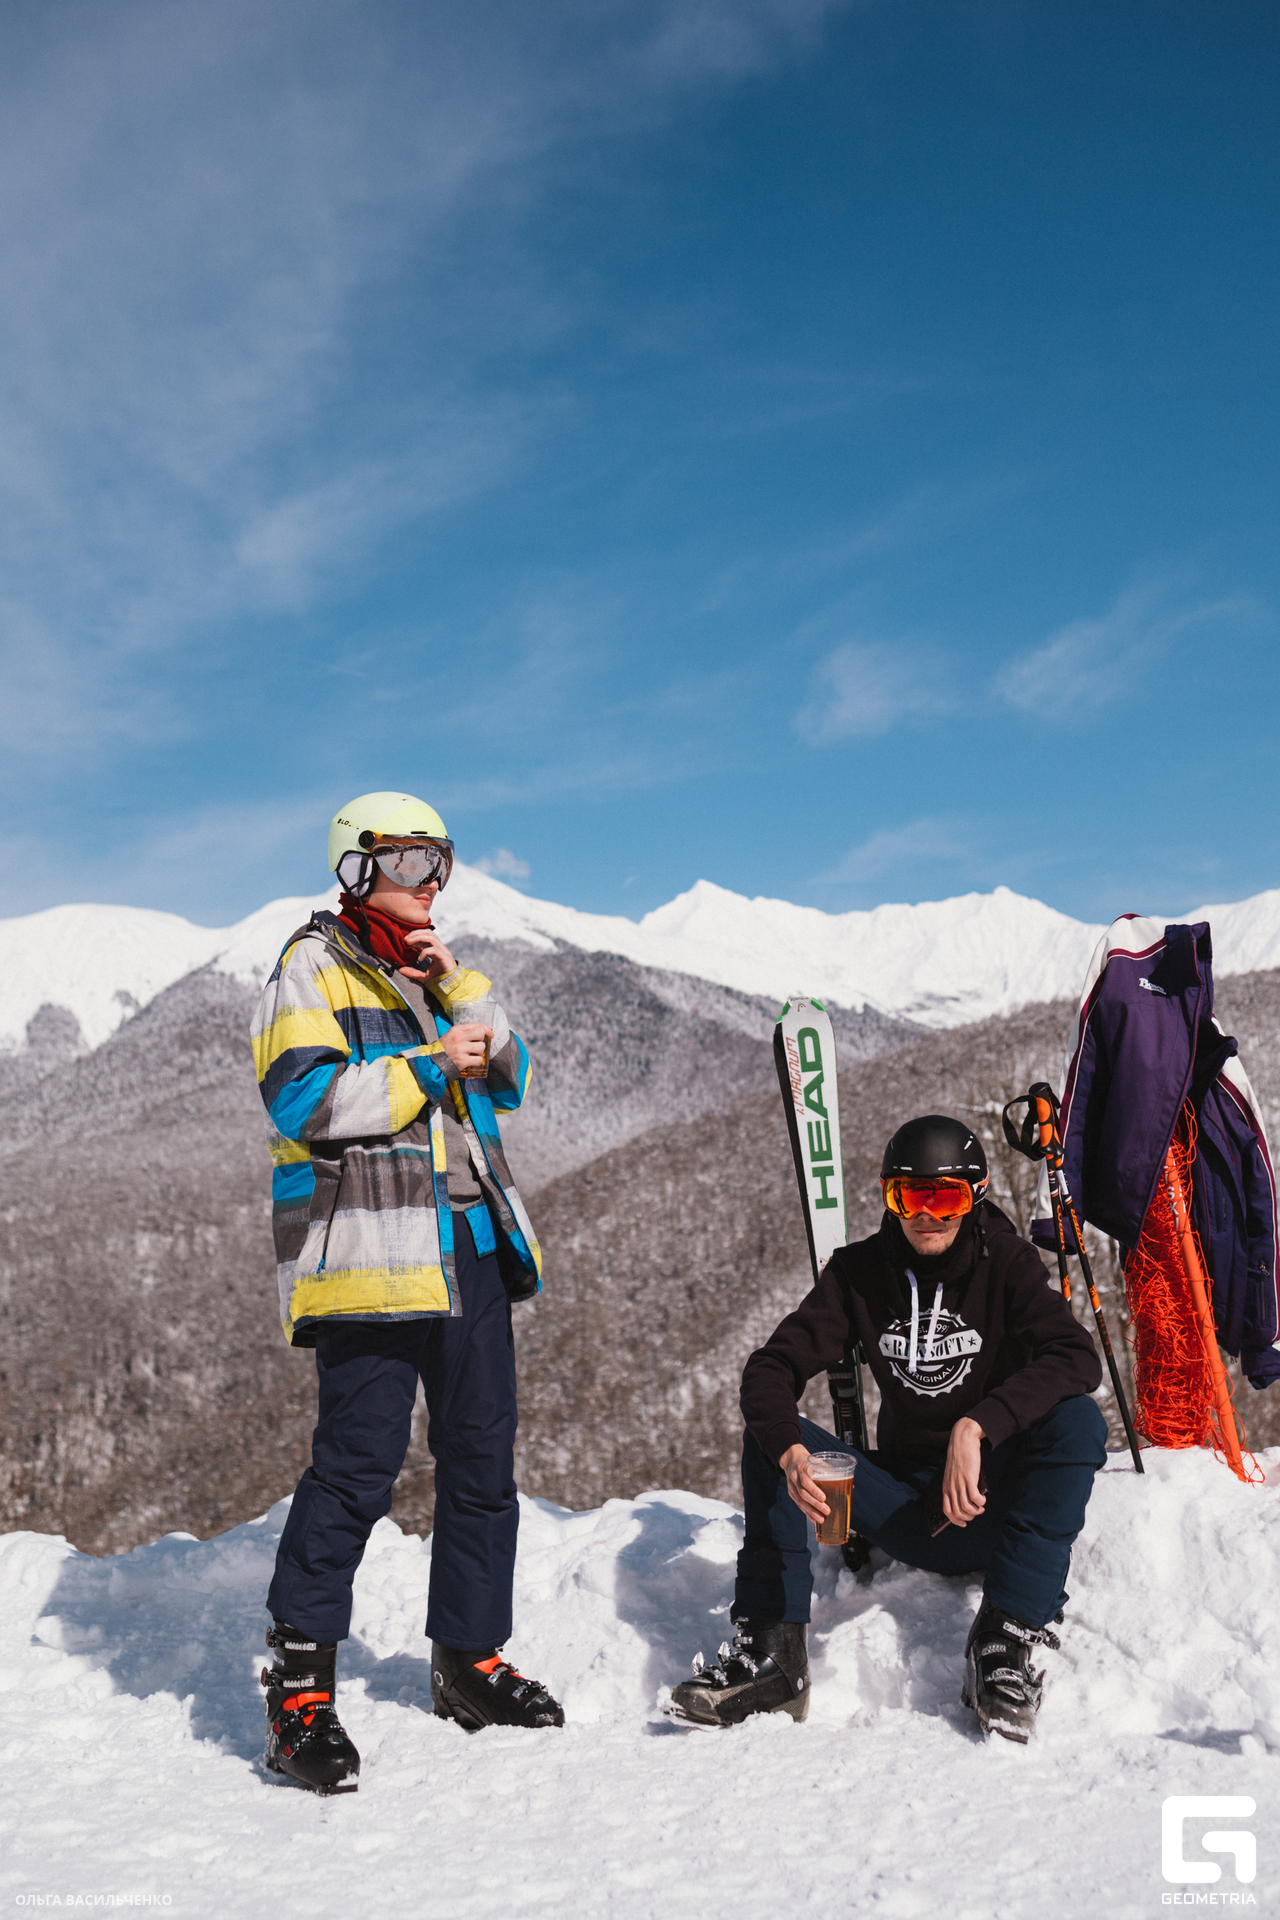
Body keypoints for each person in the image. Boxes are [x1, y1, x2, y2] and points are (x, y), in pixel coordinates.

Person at [251, 791, 563, 1796]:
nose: (428, 881)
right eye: (407, 861)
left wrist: (460, 989)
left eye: (440, 861)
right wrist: (427, 1065)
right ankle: (299, 1694)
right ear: (355, 869)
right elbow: (302, 1098)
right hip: (372, 1257)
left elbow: (511, 1079)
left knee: (482, 1463)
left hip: (468, 1245)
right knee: (356, 1469)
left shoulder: (427, 974)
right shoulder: (310, 967)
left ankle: (468, 1662)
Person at [669, 1115, 1108, 1744]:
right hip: (907, 1511)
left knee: (1076, 1420)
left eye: (945, 1198)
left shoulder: (1006, 1263)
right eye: (908, 1196)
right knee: (772, 1435)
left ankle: (1002, 1645)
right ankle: (775, 1657)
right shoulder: (859, 1274)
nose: (926, 1215)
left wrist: (977, 1428)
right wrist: (790, 1451)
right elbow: (771, 1368)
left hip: (993, 1503)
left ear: (975, 1197)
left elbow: (1076, 1357)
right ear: (888, 1196)